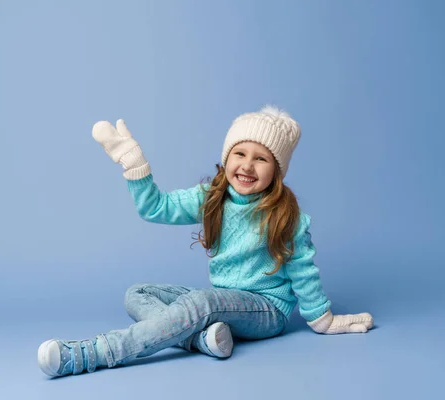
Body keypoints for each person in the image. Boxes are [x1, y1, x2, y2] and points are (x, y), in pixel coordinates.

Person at [37, 106, 374, 377]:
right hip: (220, 302)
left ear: (277, 171)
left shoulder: (288, 217)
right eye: (240, 153)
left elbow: (304, 272)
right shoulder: (212, 197)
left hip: (266, 310)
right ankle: (203, 340)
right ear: (226, 158)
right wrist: (135, 166)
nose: (247, 165)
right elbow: (157, 207)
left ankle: (94, 353)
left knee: (203, 302)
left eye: (261, 158)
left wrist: (323, 319)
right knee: (137, 293)